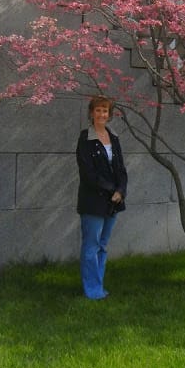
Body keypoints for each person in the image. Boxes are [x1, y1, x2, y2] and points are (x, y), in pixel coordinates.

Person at [76, 96, 128, 300]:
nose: (101, 114)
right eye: (98, 110)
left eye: (105, 111)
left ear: (109, 114)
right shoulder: (85, 139)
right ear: (91, 113)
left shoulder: (113, 137)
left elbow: (121, 169)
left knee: (103, 245)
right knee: (91, 246)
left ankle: (98, 286)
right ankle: (92, 290)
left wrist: (121, 190)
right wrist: (111, 190)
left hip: (113, 200)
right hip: (94, 200)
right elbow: (88, 174)